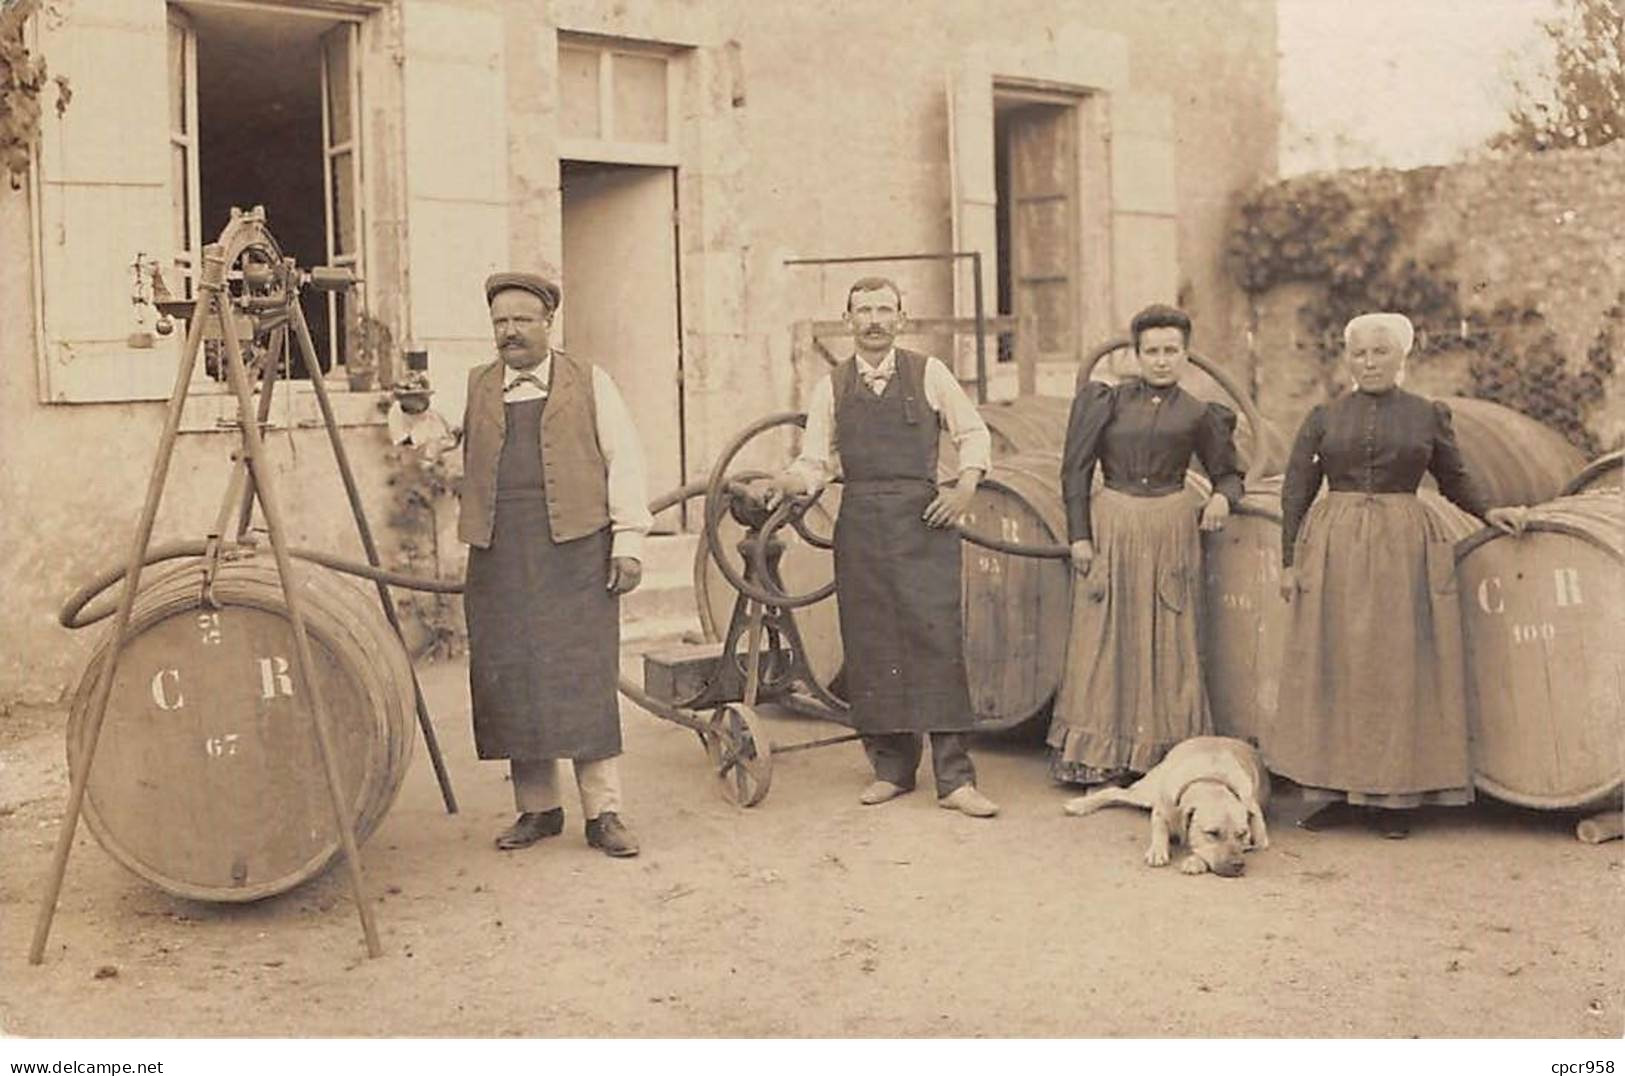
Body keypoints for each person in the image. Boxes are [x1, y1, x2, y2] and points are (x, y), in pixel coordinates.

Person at [1270, 312, 1521, 839]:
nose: (1369, 362)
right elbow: (1295, 490)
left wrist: (1489, 511)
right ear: (1347, 358)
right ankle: (1335, 791)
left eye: (1380, 352)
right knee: (1335, 661)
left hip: (1402, 547)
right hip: (1334, 546)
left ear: (1403, 357)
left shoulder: (1428, 415)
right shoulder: (1323, 416)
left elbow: (1454, 476)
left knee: (1394, 665)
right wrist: (1290, 561)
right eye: (1359, 353)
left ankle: (1391, 798)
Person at [766, 277, 999, 817]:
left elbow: (974, 434)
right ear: (848, 320)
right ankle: (891, 769)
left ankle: (955, 779)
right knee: (872, 644)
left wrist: (963, 488)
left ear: (901, 318)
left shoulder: (930, 372)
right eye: (863, 310)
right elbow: (816, 462)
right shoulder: (832, 386)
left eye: (884, 310)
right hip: (862, 524)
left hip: (924, 520)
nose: (873, 320)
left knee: (935, 640)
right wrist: (788, 481)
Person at [459, 271, 652, 856]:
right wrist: (412, 413)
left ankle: (605, 813)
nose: (509, 332)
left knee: (581, 675)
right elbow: (425, 432)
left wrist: (630, 542)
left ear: (547, 323)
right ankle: (538, 809)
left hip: (575, 551)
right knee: (512, 676)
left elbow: (625, 461)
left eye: (521, 320)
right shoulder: (474, 385)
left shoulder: (590, 382)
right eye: (500, 323)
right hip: (499, 554)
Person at [1048, 303, 1244, 786]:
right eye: (1151, 351)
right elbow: (1075, 471)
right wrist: (1079, 536)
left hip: (1171, 528)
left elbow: (1230, 472)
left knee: (1169, 636)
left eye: (1171, 351)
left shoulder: (1200, 414)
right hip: (1112, 519)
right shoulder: (1104, 402)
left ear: (1186, 355)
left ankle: (1165, 757)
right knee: (1105, 634)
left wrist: (1222, 496)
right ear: (1134, 354)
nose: (1161, 360)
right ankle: (1099, 757)